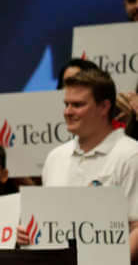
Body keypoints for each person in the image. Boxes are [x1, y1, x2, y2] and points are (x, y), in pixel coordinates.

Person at [42, 69, 138, 260]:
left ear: (103, 107)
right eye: (66, 104)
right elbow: (47, 225)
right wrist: (29, 232)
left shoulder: (131, 155)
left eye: (77, 105)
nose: (68, 112)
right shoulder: (55, 157)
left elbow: (137, 227)